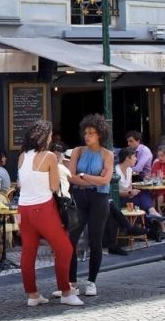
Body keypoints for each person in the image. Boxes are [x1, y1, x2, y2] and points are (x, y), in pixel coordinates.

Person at [17, 121, 82, 308]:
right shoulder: (50, 157)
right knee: (64, 248)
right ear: (46, 137)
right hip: (43, 208)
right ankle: (66, 292)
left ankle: (32, 294)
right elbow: (54, 186)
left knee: (28, 252)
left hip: (23, 208)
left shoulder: (22, 156)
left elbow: (21, 184)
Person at [66, 114, 113, 297]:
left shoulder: (107, 154)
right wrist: (94, 179)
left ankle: (92, 281)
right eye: (86, 132)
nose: (87, 136)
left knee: (95, 241)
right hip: (79, 197)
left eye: (91, 133)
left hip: (99, 200)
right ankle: (72, 282)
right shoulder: (77, 151)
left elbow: (106, 180)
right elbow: (70, 177)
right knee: (71, 240)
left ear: (100, 134)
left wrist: (83, 177)